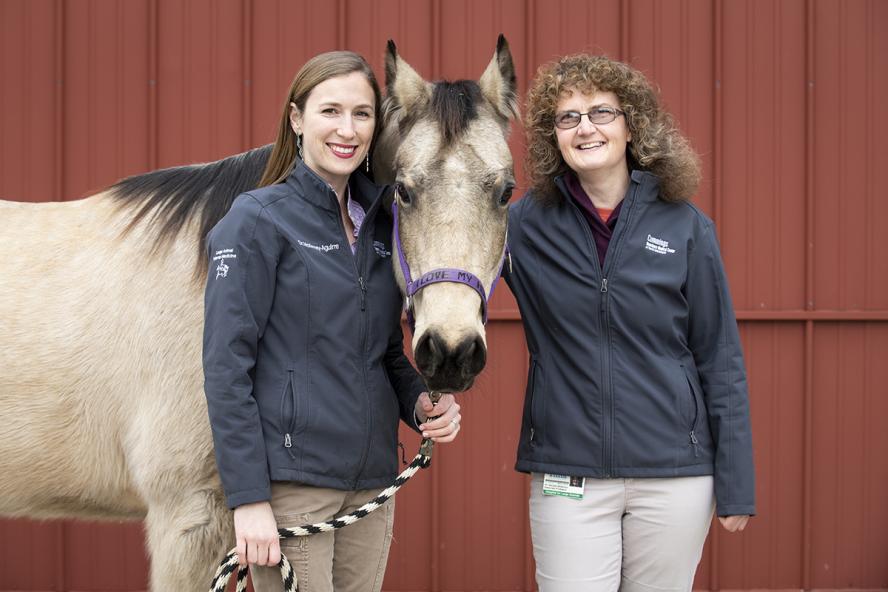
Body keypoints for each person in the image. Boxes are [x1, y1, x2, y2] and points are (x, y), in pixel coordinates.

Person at [202, 51, 461, 592]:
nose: (347, 130)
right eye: (330, 111)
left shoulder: (381, 225)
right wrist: (248, 500)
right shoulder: (256, 221)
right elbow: (226, 371)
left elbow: (385, 350)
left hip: (370, 484)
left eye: (362, 114)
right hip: (294, 488)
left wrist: (419, 401)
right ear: (297, 119)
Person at [504, 54, 755, 591]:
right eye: (567, 118)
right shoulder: (521, 226)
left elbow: (719, 358)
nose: (585, 128)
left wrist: (736, 484)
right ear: (554, 137)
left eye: (601, 112)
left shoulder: (685, 226)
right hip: (567, 471)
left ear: (631, 124)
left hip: (675, 474)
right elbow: (447, 270)